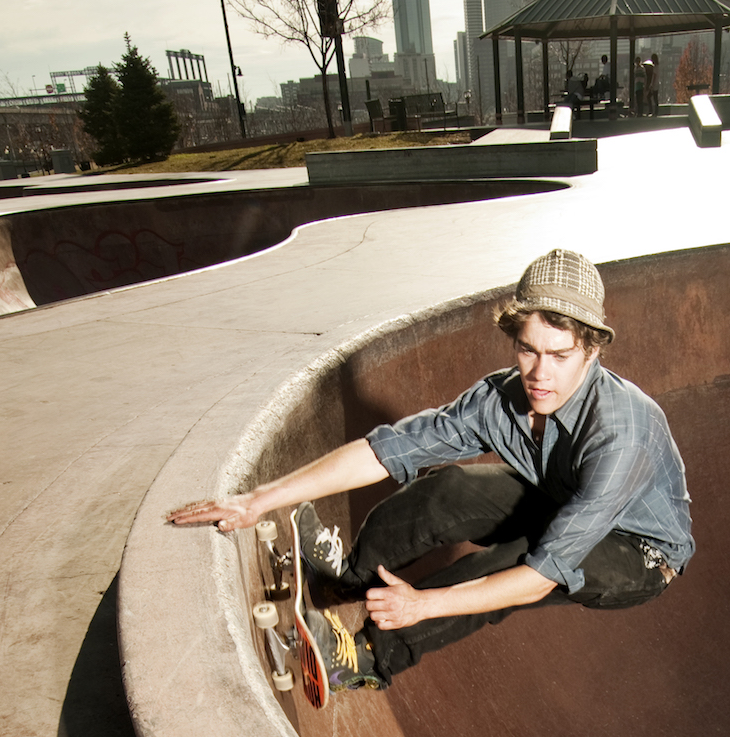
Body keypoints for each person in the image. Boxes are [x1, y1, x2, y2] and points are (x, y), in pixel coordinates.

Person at [168, 249, 693, 691]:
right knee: (449, 488)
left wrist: (423, 605)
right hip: (562, 497)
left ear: (591, 350)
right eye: (527, 351)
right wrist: (260, 498)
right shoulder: (500, 398)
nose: (540, 374)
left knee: (509, 561)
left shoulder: (622, 434)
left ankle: (366, 659)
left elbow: (537, 578)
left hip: (639, 554)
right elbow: (385, 452)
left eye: (559, 355)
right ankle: (348, 579)